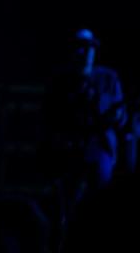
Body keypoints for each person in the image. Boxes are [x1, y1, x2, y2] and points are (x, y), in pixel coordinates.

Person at [41, 28, 125, 244]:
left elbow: (120, 117)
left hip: (100, 150)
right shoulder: (60, 81)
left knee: (101, 200)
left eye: (89, 48)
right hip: (71, 151)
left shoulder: (108, 78)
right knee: (67, 204)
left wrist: (112, 115)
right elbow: (51, 117)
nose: (85, 53)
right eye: (80, 48)